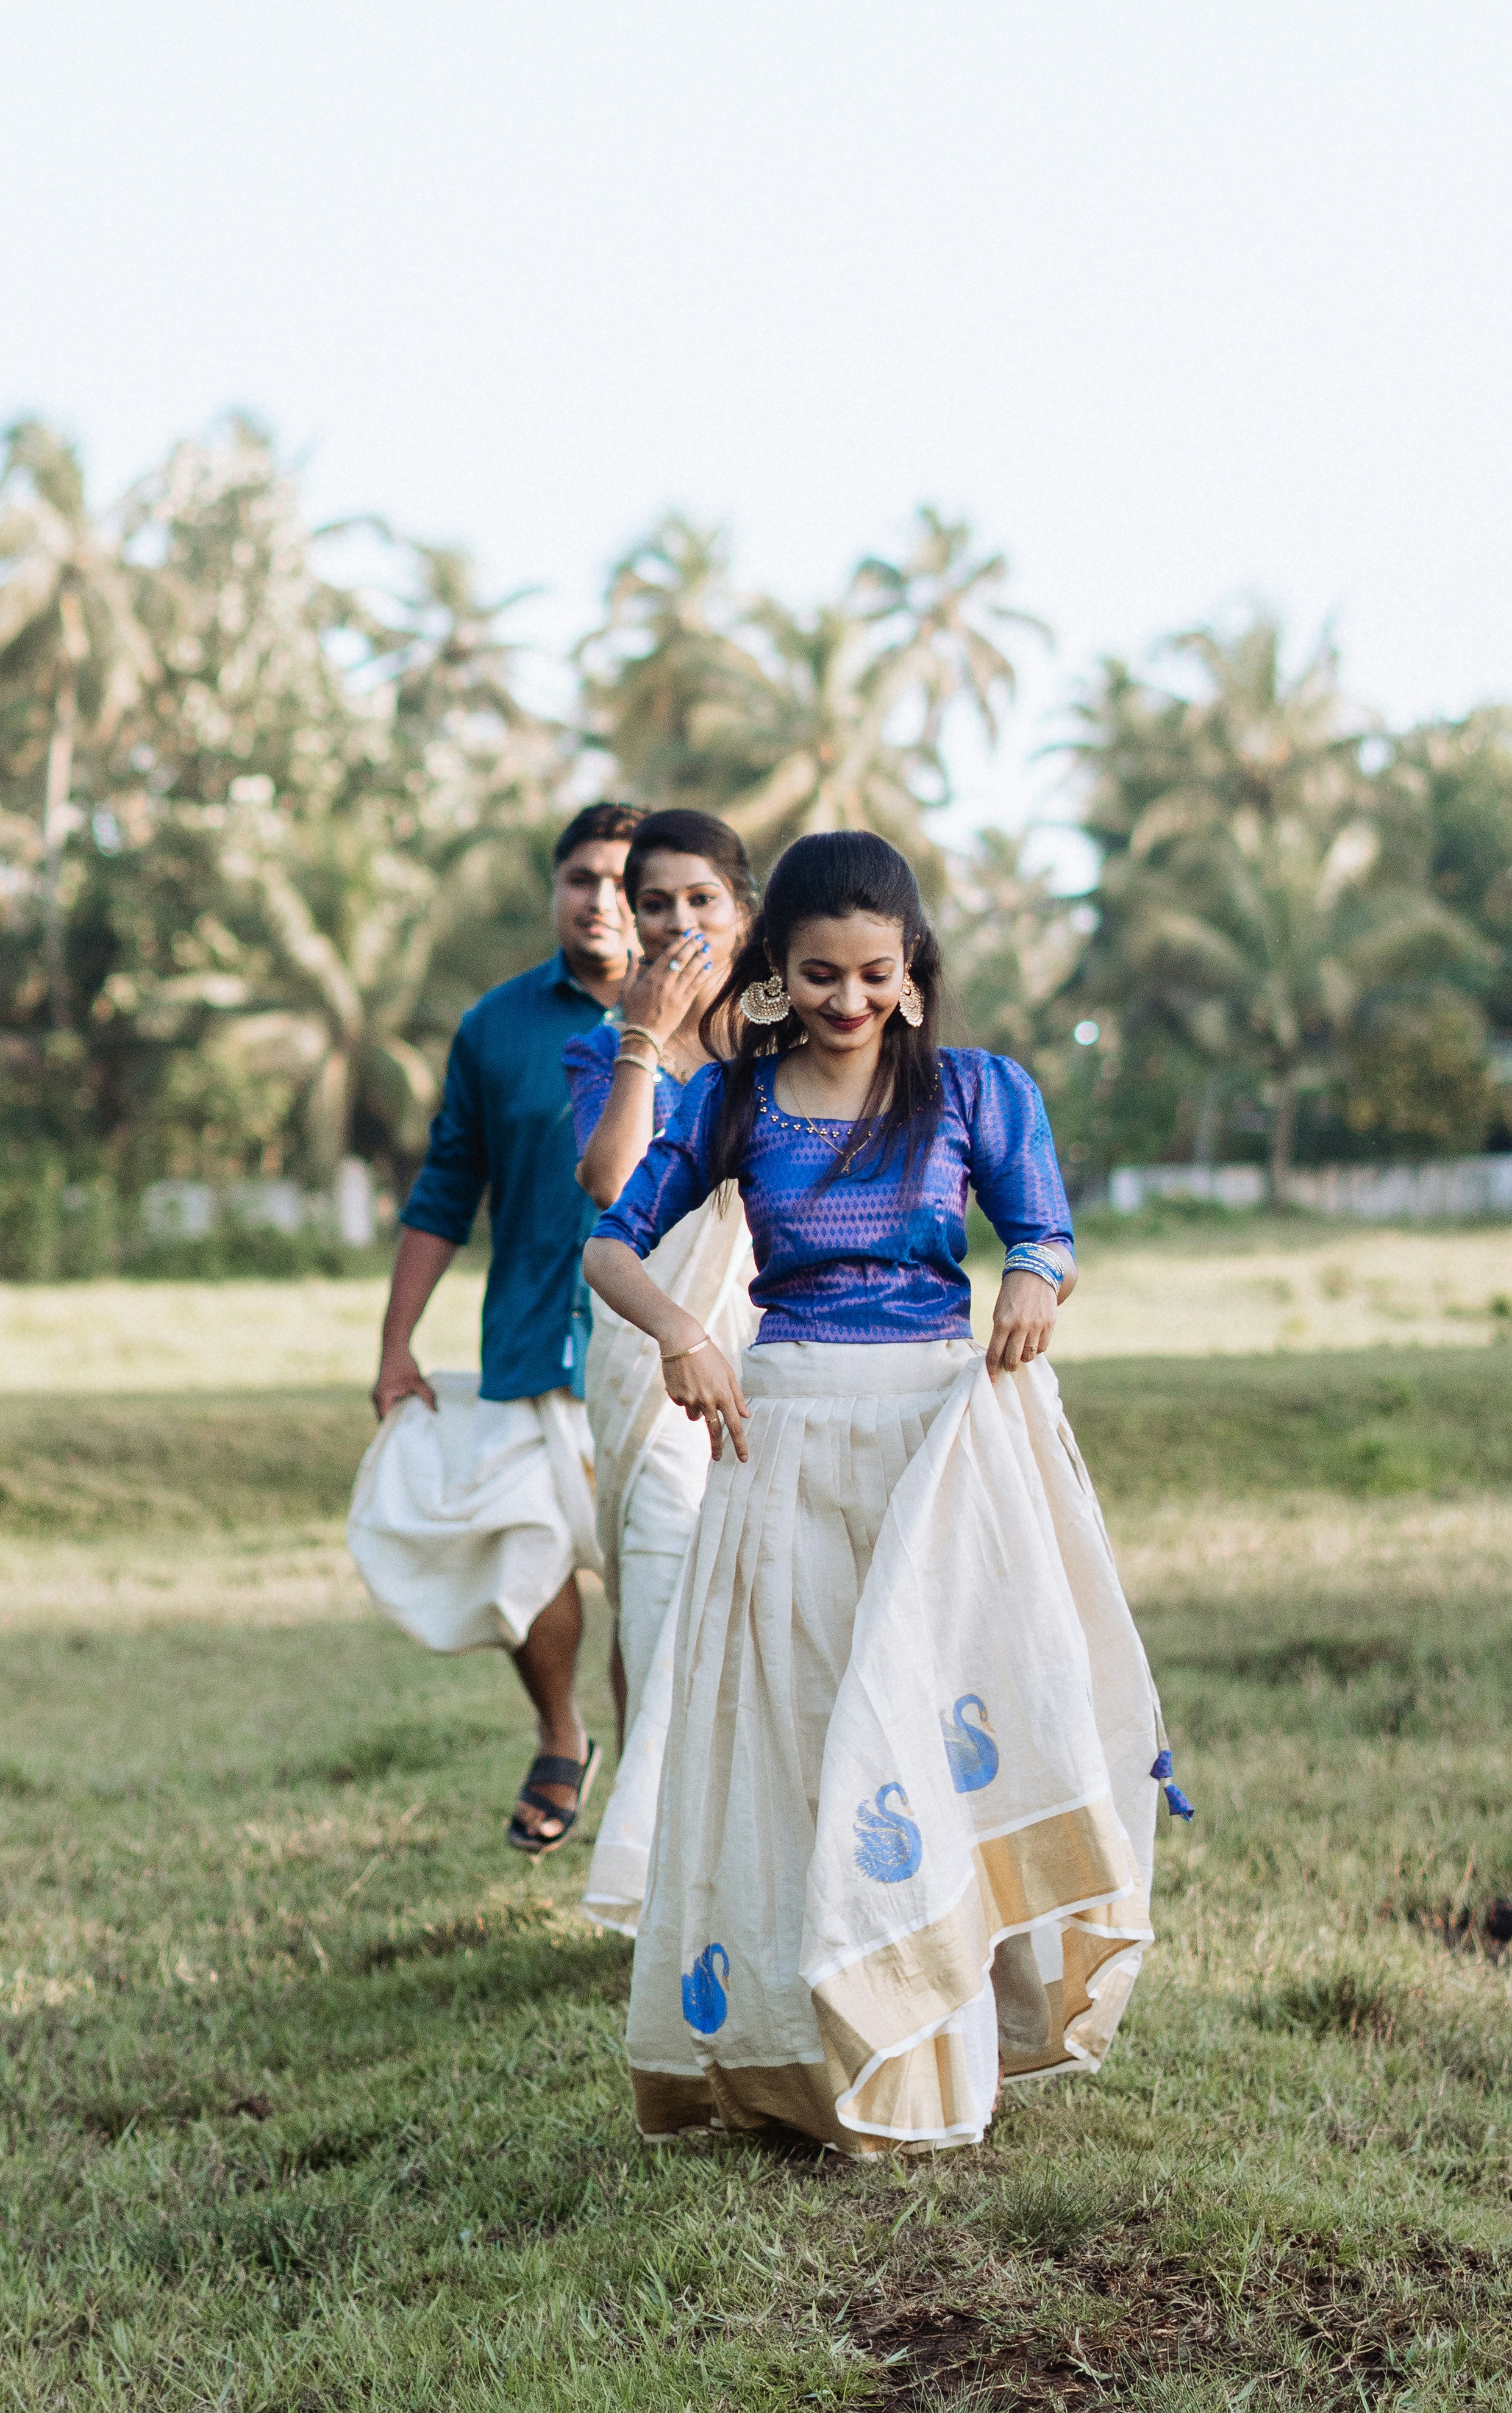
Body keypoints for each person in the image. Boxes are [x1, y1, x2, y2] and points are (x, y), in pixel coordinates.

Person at [582, 829, 1186, 2155]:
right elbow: (608, 1244)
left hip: (939, 1441)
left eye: (871, 974)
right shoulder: (734, 1102)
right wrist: (686, 1337)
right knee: (806, 1735)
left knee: (930, 1721)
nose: (845, 1003)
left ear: (910, 970)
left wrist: (1033, 1274)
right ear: (772, 976)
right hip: (784, 1437)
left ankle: (939, 2059)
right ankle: (802, 2061)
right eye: (815, 978)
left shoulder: (975, 1091)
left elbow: (1043, 1229)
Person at [348, 800, 641, 1856]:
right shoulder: (499, 1026)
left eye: (625, 882)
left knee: (650, 1582)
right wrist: (396, 1346)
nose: (602, 901)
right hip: (528, 1344)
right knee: (522, 1550)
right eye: (582, 879)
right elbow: (443, 1193)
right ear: (554, 891)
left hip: (659, 1351)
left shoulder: (720, 1024)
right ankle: (561, 1733)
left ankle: (648, 1790)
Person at [562, 810, 762, 1933]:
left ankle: (751, 1867)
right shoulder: (604, 1046)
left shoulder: (791, 1041)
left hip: (777, 1357)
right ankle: (663, 1884)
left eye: (702, 901)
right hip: (650, 1369)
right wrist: (648, 1038)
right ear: (629, 920)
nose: (679, 923)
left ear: (743, 912)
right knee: (666, 1605)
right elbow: (610, 1183)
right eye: (656, 903)